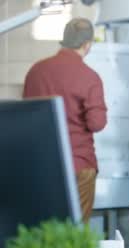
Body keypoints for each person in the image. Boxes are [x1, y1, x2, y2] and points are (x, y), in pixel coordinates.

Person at [23, 18, 107, 223]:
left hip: (41, 163)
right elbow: (97, 123)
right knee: (74, 231)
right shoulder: (89, 76)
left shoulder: (36, 70)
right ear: (87, 44)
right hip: (78, 163)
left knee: (43, 226)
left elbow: (25, 113)